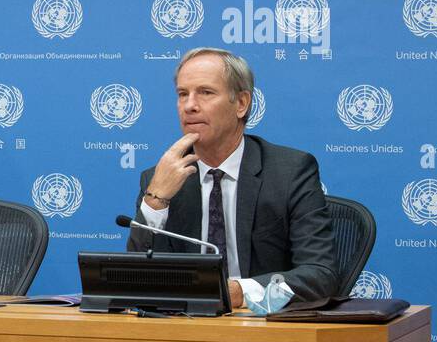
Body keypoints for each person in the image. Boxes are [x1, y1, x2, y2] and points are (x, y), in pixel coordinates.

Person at [126, 47, 338, 307]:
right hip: (185, 331)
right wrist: (155, 201)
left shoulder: (290, 172)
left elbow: (320, 275)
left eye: (205, 92)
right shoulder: (160, 179)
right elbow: (135, 281)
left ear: (241, 103)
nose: (189, 105)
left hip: (267, 332)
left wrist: (234, 292)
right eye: (182, 94)